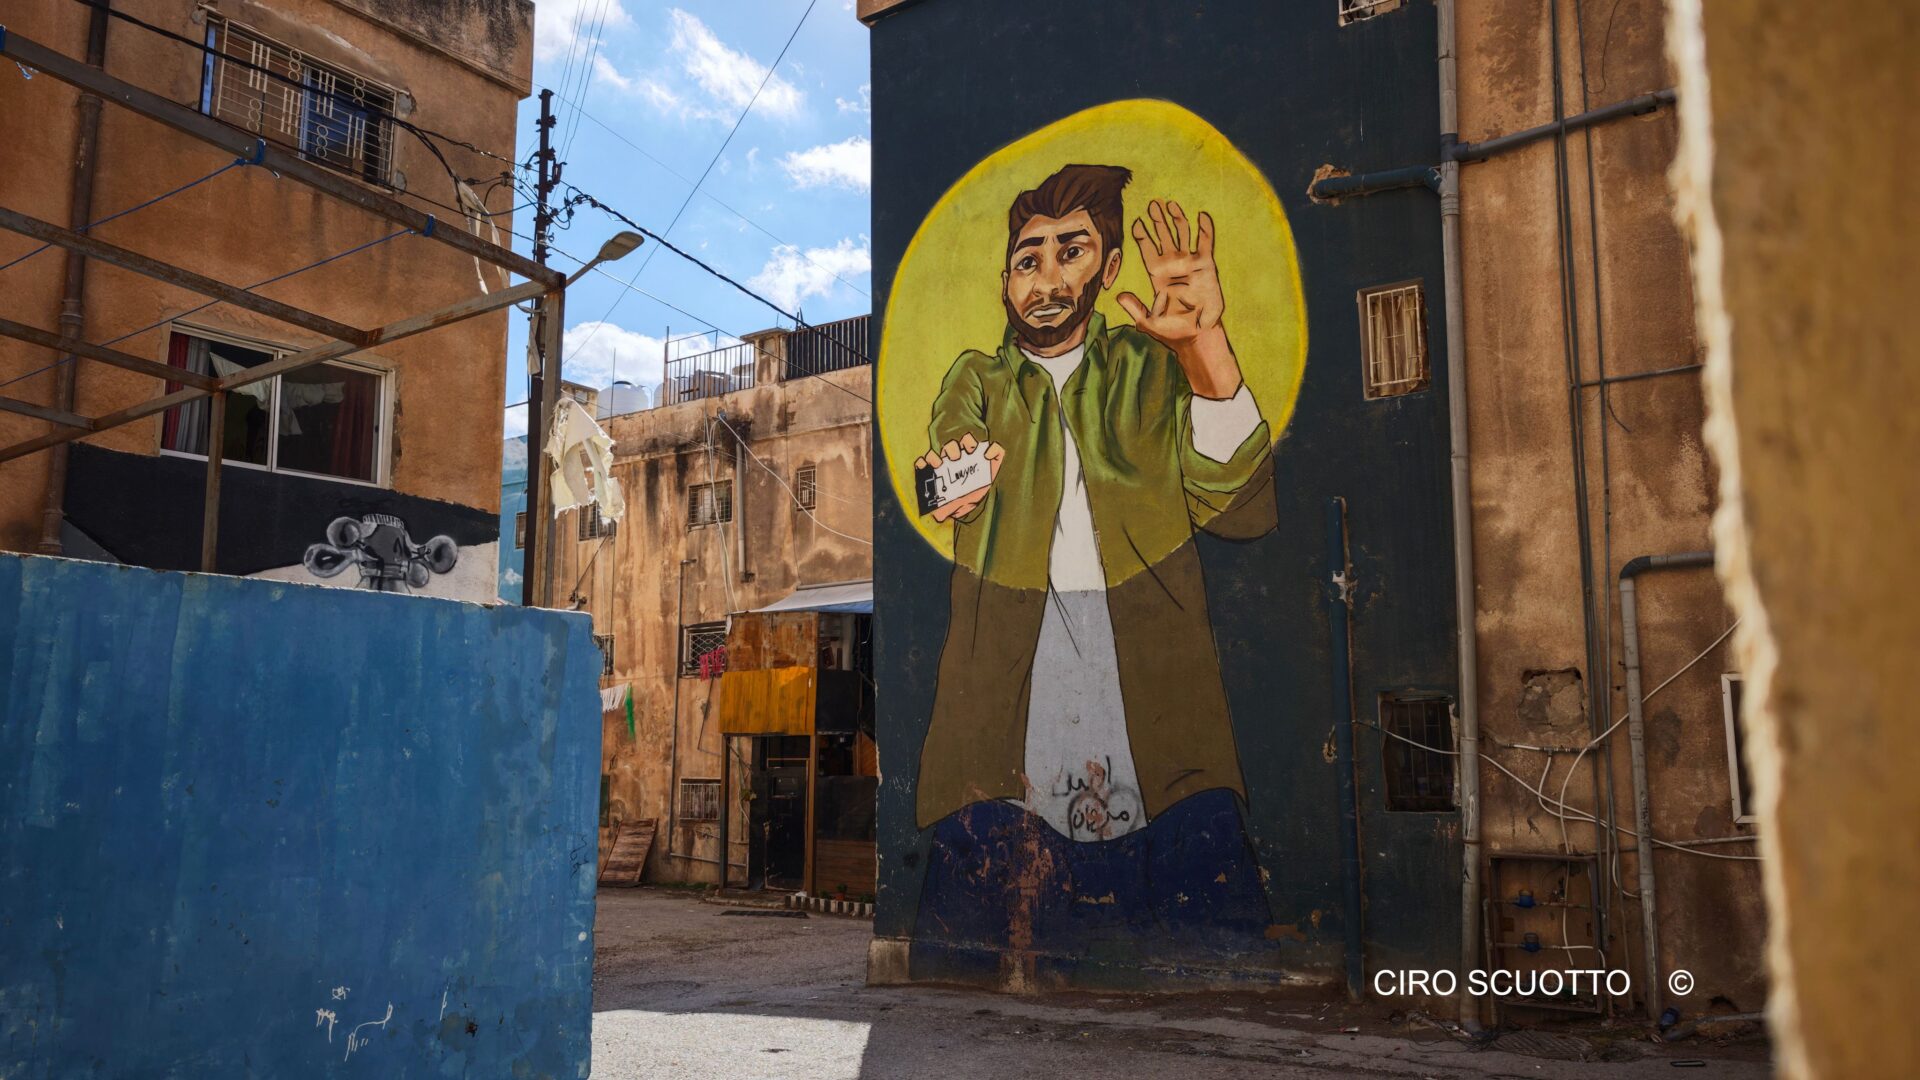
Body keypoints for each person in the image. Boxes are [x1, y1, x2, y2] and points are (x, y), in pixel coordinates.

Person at [910, 163, 1281, 978]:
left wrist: (1205, 347)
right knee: (969, 950)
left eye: (1070, 252)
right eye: (1027, 259)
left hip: (1154, 695)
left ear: (1110, 268)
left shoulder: (1150, 367)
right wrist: (958, 479)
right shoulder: (978, 379)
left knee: (1213, 943)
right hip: (1007, 702)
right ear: (1005, 281)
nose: (1046, 279)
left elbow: (1242, 509)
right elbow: (945, 471)